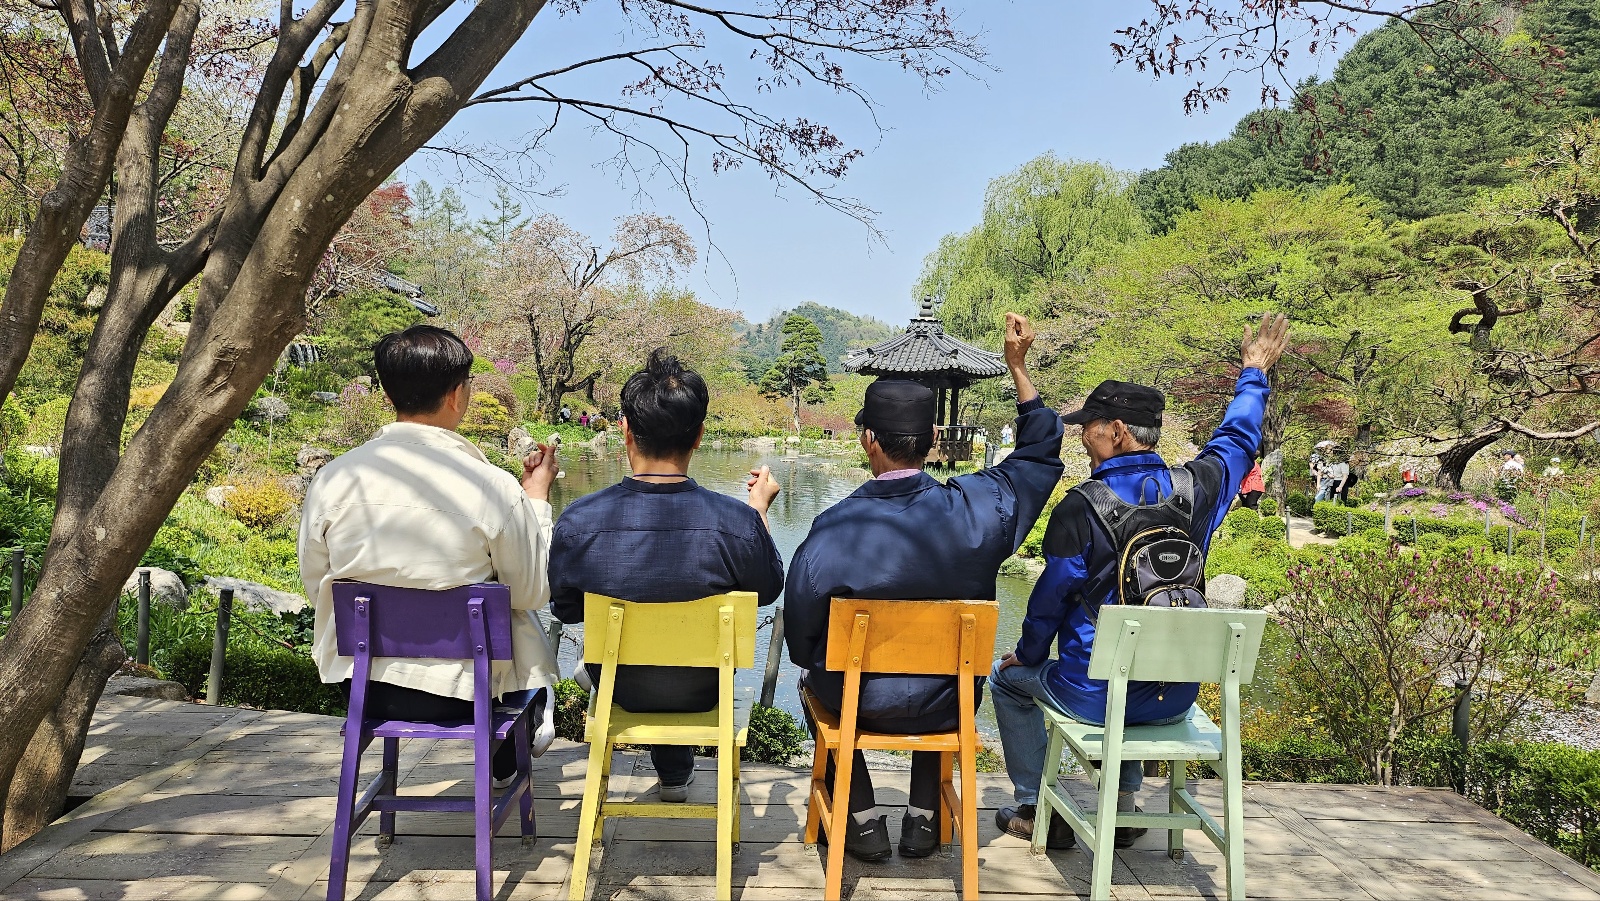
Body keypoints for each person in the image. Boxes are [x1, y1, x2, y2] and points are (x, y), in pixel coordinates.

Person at [990, 313, 1288, 851]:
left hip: (1096, 698)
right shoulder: (1198, 488)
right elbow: (1238, 438)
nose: (1082, 435)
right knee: (1124, 669)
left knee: (1008, 681)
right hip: (1174, 696)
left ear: (1117, 431)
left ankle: (1035, 809)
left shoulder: (1082, 506)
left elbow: (1049, 603)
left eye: (1089, 425)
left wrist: (1027, 655)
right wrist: (1254, 374)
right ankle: (1125, 811)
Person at [785, 313, 1064, 862]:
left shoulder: (834, 529)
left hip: (860, 701)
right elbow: (1039, 455)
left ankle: (861, 821)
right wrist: (1018, 368)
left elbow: (800, 638)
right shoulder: (980, 510)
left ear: (868, 440)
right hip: (947, 702)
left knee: (814, 677)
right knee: (944, 674)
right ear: (934, 439)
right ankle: (923, 818)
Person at [300, 325, 561, 785]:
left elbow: (314, 582)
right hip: (466, 695)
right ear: (457, 395)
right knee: (515, 612)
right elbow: (532, 592)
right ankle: (520, 730)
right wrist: (535, 500)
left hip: (364, 688)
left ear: (387, 394)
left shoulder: (333, 479)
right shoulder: (493, 487)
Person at [549, 348, 784, 802]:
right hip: (703, 691)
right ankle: (675, 775)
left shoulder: (580, 520)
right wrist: (758, 512)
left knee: (624, 647)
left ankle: (672, 774)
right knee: (677, 644)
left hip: (621, 687)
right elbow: (769, 588)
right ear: (698, 436)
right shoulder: (735, 521)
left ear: (625, 430)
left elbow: (567, 609)